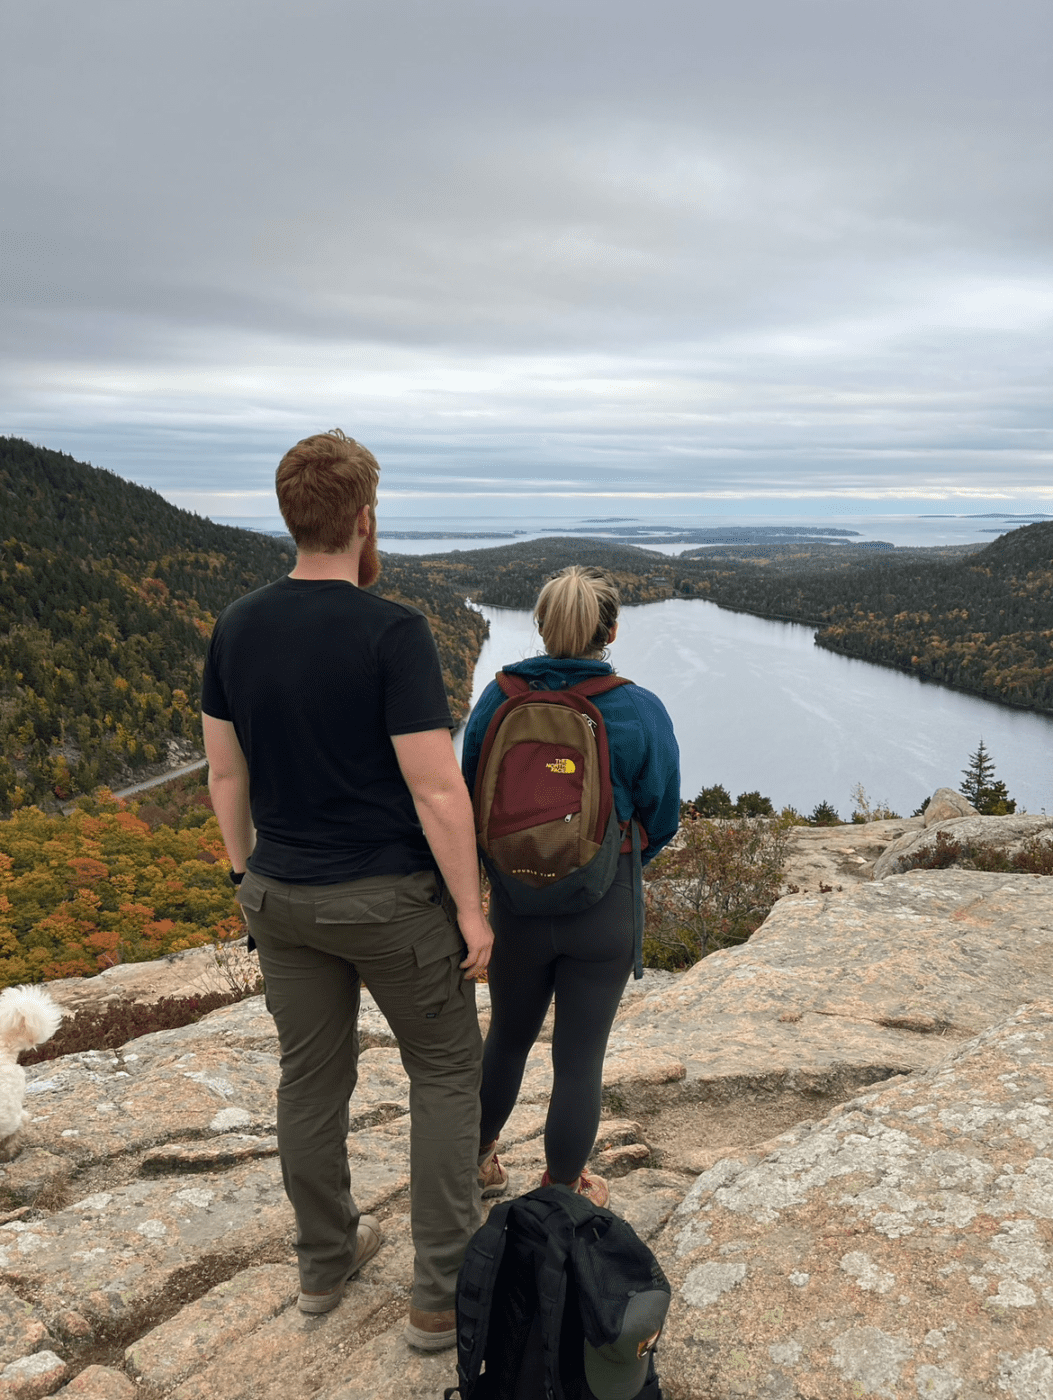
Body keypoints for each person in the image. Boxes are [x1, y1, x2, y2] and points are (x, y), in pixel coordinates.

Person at [201, 429, 493, 1352]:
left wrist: (249, 878)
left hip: (281, 896)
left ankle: (326, 1263)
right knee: (445, 1071)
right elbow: (435, 786)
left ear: (291, 516)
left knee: (310, 1082)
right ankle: (439, 1295)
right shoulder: (392, 631)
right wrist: (473, 910)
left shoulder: (237, 625)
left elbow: (224, 777)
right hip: (388, 900)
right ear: (365, 518)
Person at [460, 564, 680, 1208]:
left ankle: (477, 1162)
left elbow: (471, 793)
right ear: (610, 630)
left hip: (516, 906)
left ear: (541, 625)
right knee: (579, 1058)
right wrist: (608, 863)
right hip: (602, 907)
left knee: (507, 1036)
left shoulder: (498, 699)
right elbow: (660, 815)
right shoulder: (638, 708)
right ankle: (563, 1188)